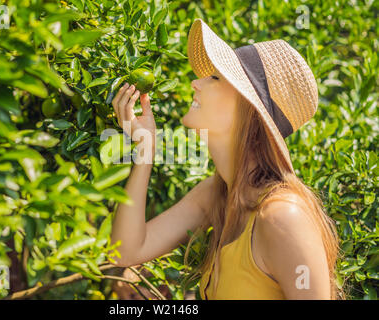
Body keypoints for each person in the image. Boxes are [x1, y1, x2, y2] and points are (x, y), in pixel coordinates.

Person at [110, 18, 344, 300]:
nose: (196, 82)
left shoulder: (283, 217)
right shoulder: (219, 194)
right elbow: (126, 251)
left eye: (216, 78)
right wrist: (145, 150)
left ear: (248, 110)